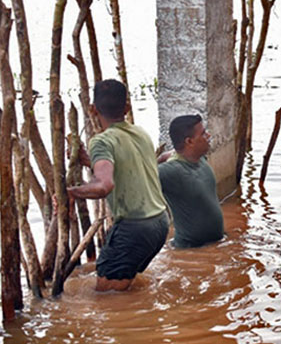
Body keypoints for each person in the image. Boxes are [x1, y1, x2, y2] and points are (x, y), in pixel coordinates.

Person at [67, 79, 169, 292]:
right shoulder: (140, 133)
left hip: (135, 227)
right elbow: (126, 167)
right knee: (125, 289)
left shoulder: (102, 141)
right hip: (159, 223)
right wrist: (89, 160)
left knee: (107, 298)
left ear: (92, 109)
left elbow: (105, 185)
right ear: (127, 108)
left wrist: (72, 192)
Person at [158, 115, 225, 248]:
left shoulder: (199, 158)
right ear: (189, 142)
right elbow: (140, 179)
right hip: (190, 250)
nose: (208, 135)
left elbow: (173, 154)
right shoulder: (171, 171)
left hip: (214, 246)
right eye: (203, 133)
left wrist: (164, 156)